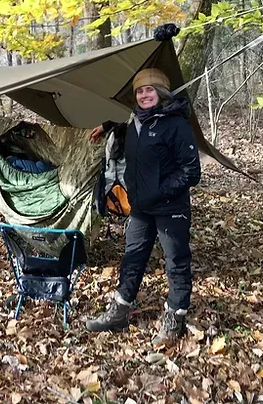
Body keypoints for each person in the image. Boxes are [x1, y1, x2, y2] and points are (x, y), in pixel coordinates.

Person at [86, 67, 201, 345]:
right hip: (140, 209)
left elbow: (191, 171)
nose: (144, 95)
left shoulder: (176, 125)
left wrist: (160, 192)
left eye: (149, 90)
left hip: (170, 208)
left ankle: (175, 317)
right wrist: (105, 125)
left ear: (160, 93)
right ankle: (120, 310)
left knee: (175, 262)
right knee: (132, 258)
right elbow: (126, 128)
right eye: (139, 91)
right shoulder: (136, 122)